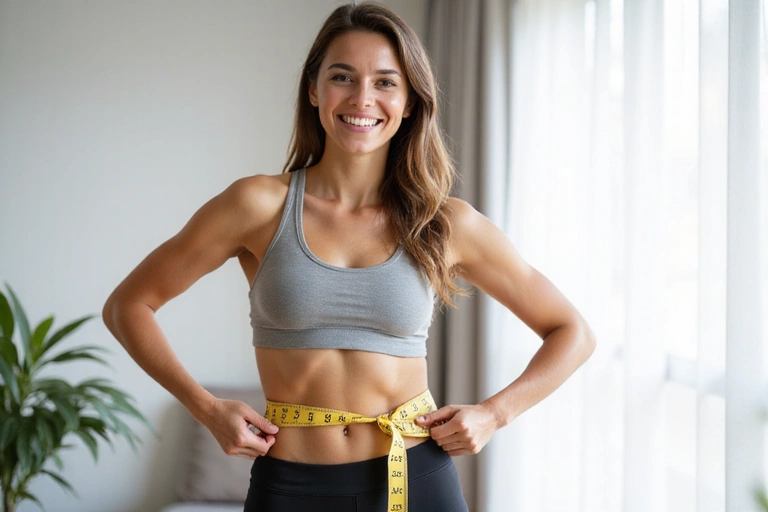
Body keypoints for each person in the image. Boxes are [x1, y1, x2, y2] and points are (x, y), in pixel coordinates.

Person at [103, 2, 595, 511]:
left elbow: (572, 332)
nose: (363, 98)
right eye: (343, 77)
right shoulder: (257, 205)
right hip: (290, 488)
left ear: (408, 103)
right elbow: (128, 305)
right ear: (314, 89)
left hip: (416, 477)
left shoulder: (444, 223)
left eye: (386, 82)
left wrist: (495, 413)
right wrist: (205, 409)